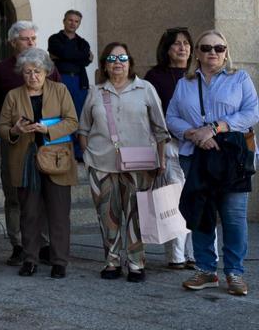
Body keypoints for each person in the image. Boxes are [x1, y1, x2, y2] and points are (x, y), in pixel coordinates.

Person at [166, 30, 258, 297]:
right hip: (196, 154)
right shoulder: (185, 83)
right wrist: (194, 134)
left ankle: (235, 272)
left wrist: (216, 128)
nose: (213, 53)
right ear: (197, 52)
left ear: (226, 52)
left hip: (232, 156)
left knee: (233, 216)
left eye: (219, 48)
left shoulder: (239, 78)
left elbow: (253, 111)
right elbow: (171, 116)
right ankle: (206, 270)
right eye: (206, 48)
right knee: (201, 211)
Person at [76, 43, 169, 283]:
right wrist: (88, 156)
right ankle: (112, 261)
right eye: (112, 58)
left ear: (130, 62)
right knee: (107, 214)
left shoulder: (145, 88)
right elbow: (83, 128)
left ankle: (137, 263)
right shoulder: (95, 92)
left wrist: (162, 160)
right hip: (101, 162)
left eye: (123, 57)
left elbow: (160, 129)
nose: (118, 62)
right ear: (105, 65)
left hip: (140, 162)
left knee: (136, 215)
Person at [0, 20, 60, 266]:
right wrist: (5, 127)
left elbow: (60, 96)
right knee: (14, 193)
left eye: (33, 39)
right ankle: (18, 244)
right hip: (15, 142)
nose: (30, 43)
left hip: (45, 140)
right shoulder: (1, 71)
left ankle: (44, 243)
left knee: (45, 192)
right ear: (13, 42)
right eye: (25, 39)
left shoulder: (49, 67)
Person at [0, 48, 78, 279]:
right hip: (25, 160)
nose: (33, 76)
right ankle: (30, 258)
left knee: (59, 213)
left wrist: (48, 129)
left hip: (57, 158)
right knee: (29, 213)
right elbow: (2, 127)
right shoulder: (13, 95)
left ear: (47, 72)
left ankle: (59, 261)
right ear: (21, 73)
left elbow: (72, 121)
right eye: (28, 72)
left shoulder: (60, 90)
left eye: (38, 71)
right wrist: (14, 129)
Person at [143, 27, 196, 269]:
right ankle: (176, 257)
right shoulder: (155, 77)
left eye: (186, 43)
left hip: (201, 145)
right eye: (177, 44)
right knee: (173, 201)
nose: (183, 47)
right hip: (170, 146)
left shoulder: (199, 74)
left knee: (201, 200)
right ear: (167, 49)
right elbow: (150, 114)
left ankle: (200, 255)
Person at [48, 10, 93, 161]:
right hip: (61, 80)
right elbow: (82, 57)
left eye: (76, 21)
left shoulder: (83, 42)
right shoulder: (55, 39)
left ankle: (79, 151)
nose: (73, 24)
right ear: (64, 21)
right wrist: (78, 56)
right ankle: (62, 151)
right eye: (70, 20)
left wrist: (65, 56)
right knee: (60, 115)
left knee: (80, 116)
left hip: (79, 81)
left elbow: (82, 59)